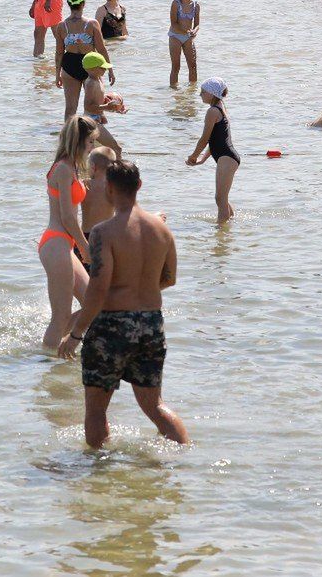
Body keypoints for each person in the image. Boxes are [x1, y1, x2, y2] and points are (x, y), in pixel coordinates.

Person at [56, 158, 190, 448]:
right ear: (139, 186)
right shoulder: (162, 230)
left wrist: (76, 334)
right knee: (154, 406)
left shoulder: (105, 232)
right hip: (151, 324)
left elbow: (98, 289)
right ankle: (184, 456)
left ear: (109, 189)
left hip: (113, 327)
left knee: (95, 410)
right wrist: (138, 288)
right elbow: (169, 279)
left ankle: (98, 475)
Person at [40, 115, 98, 352]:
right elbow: (67, 217)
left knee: (94, 305)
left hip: (64, 245)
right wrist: (85, 246)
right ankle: (47, 361)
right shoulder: (63, 169)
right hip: (56, 244)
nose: (93, 147)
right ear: (80, 141)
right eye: (91, 142)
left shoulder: (72, 167)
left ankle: (58, 349)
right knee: (61, 315)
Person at [185, 77, 238, 223]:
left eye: (203, 91)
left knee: (220, 198)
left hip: (227, 157)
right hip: (226, 157)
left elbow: (204, 139)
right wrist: (202, 159)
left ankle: (221, 235)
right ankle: (230, 226)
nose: (200, 94)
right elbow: (215, 139)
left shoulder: (212, 111)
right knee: (221, 198)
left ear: (212, 93)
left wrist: (193, 156)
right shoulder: (220, 106)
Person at [57, 0, 111, 121]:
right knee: (96, 106)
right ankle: (96, 139)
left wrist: (57, 74)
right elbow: (101, 49)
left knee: (70, 109)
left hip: (69, 65)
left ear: (68, 4)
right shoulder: (92, 24)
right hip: (91, 65)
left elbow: (59, 53)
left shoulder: (62, 26)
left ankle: (69, 139)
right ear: (84, 3)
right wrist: (110, 70)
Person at [167, 0, 200, 88]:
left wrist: (194, 31)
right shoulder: (175, 3)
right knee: (176, 66)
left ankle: (192, 91)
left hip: (188, 37)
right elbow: (174, 23)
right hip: (175, 36)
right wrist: (187, 31)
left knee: (193, 66)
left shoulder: (196, 5)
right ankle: (174, 91)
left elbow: (197, 24)